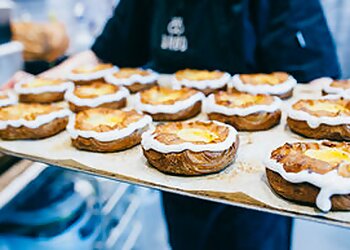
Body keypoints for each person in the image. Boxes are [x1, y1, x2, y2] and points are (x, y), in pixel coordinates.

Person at [6, 0, 340, 249]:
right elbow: (104, 54)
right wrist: (33, 86)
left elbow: (315, 85)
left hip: (253, 178)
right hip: (172, 163)